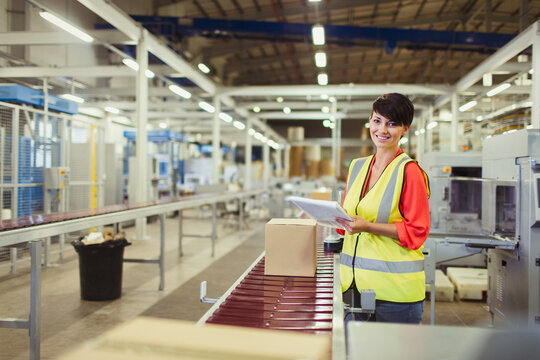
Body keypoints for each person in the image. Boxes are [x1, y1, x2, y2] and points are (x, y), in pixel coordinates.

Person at [335, 93, 430, 324]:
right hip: (354, 288)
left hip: (395, 295)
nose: (382, 130)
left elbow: (417, 232)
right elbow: (349, 225)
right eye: (377, 121)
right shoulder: (357, 167)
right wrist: (337, 220)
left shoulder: (410, 172)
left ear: (405, 129)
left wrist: (367, 226)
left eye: (392, 123)